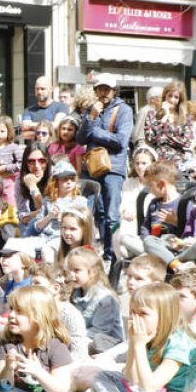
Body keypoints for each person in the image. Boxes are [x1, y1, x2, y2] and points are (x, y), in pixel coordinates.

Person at [91, 283, 196, 392]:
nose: (135, 319)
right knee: (103, 376)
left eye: (143, 313)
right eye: (132, 312)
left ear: (165, 315)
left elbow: (149, 388)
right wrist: (134, 342)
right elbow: (131, 378)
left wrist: (139, 345)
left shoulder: (180, 342)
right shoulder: (148, 334)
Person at [75, 73, 134, 261]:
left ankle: (113, 255)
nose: (103, 93)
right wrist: (91, 117)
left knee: (111, 214)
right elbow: (80, 139)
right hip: (92, 168)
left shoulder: (124, 110)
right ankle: (94, 253)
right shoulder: (92, 109)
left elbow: (121, 140)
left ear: (114, 91)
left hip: (113, 168)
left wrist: (95, 131)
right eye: (100, 89)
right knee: (92, 213)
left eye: (107, 89)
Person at [143, 81, 195, 165]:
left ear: (180, 99)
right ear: (165, 96)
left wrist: (165, 137)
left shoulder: (186, 117)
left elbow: (187, 141)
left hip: (177, 160)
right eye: (170, 96)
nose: (172, 100)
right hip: (157, 158)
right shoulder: (152, 114)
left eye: (176, 97)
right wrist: (164, 117)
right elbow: (150, 138)